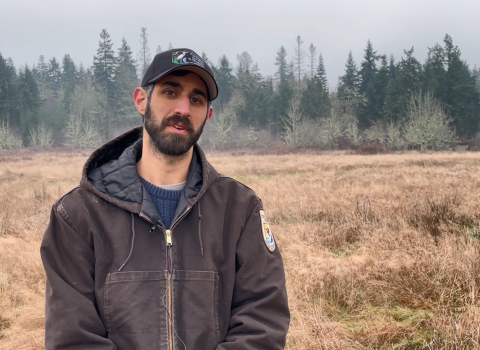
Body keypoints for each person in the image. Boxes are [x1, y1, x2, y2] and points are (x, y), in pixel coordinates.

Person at [41, 48, 290, 350]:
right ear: (141, 101)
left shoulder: (240, 210)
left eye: (196, 99)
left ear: (207, 115)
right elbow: (73, 337)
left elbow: (263, 320)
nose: (183, 109)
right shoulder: (77, 215)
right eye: (170, 92)